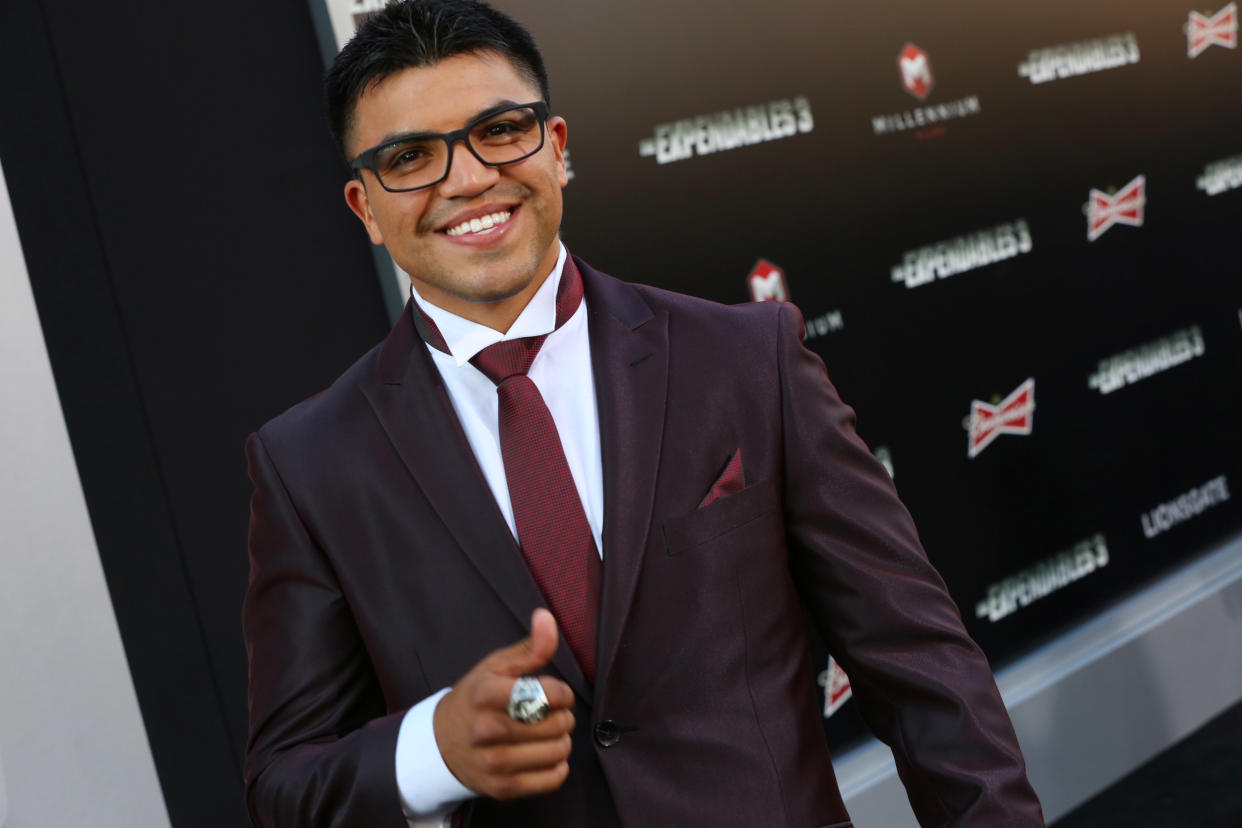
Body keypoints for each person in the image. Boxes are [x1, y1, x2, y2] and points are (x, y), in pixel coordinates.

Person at [242, 1, 1045, 826]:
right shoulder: (310, 463)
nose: (469, 178)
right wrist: (431, 752)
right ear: (365, 209)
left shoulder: (745, 361)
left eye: (500, 131)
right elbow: (283, 785)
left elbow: (919, 665)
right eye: (411, 157)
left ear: (556, 149)